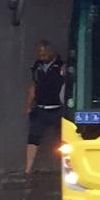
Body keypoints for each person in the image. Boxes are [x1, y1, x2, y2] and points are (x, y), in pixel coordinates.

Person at [25, 39, 65, 175]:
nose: (41, 55)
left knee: (64, 139)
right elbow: (33, 86)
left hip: (58, 109)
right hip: (40, 108)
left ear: (50, 51)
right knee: (32, 138)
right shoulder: (37, 66)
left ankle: (66, 168)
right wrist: (28, 105)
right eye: (38, 53)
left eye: (43, 52)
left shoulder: (61, 66)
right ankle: (28, 169)